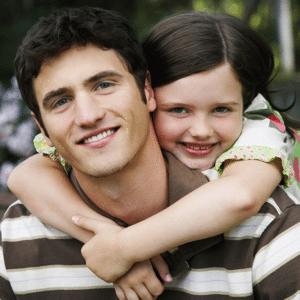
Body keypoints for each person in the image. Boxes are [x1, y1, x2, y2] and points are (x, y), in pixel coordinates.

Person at [2, 7, 300, 299]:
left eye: (104, 85)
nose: (87, 116)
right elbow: (25, 174)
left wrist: (123, 247)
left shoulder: (266, 207)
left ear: (146, 91)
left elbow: (241, 196)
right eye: (61, 101)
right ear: (41, 126)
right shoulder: (15, 237)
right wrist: (103, 236)